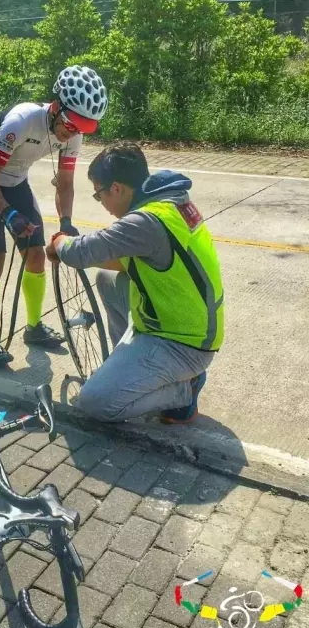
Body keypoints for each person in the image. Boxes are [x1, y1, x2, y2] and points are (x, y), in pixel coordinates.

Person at [46, 142, 224, 424]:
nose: (101, 202)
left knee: (94, 403)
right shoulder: (168, 203)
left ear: (116, 188)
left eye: (98, 194)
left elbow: (83, 251)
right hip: (180, 322)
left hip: (183, 344)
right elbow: (120, 261)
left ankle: (183, 390)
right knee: (107, 279)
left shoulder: (145, 222)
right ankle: (129, 372)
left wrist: (59, 242)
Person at [0, 65, 108, 367]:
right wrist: (8, 213)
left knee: (37, 256)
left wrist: (66, 223)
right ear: (56, 107)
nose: (73, 132)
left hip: (15, 180)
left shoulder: (72, 135)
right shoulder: (21, 121)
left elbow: (65, 183)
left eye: (83, 127)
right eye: (71, 123)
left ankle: (34, 328)